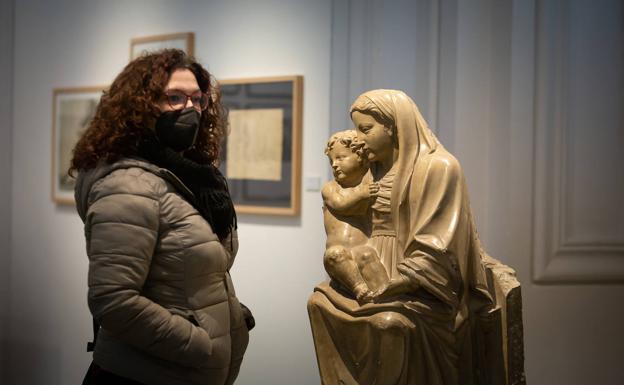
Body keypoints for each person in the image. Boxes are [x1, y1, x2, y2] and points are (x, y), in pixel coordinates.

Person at [70, 49, 251, 385]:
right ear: (139, 106)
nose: (190, 109)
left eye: (198, 99)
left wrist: (228, 318)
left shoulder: (187, 178)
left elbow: (189, 274)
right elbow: (113, 301)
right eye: (174, 97)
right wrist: (201, 343)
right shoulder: (126, 185)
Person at [308, 90, 495, 385]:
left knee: (388, 324)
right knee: (318, 303)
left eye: (365, 129)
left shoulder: (439, 168)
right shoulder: (373, 169)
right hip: (372, 263)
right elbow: (345, 212)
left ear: (393, 126)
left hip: (424, 285)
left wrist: (400, 282)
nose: (357, 138)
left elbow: (439, 246)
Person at [321, 130, 388, 303]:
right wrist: (361, 194)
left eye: (340, 158)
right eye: (331, 161)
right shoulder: (330, 188)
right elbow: (340, 204)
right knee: (336, 255)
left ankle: (385, 293)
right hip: (337, 255)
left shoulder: (369, 185)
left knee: (367, 256)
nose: (334, 165)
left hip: (362, 249)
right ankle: (359, 289)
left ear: (360, 158)